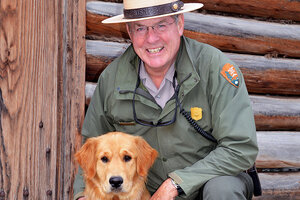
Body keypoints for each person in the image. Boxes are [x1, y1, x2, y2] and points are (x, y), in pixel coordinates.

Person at [73, 0, 259, 199]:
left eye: (161, 25)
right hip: (149, 193)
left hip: (210, 183)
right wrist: (82, 196)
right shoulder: (111, 79)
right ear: (129, 32)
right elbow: (91, 149)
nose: (151, 38)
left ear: (180, 24)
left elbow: (240, 147)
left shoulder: (215, 68)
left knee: (222, 189)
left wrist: (175, 184)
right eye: (141, 28)